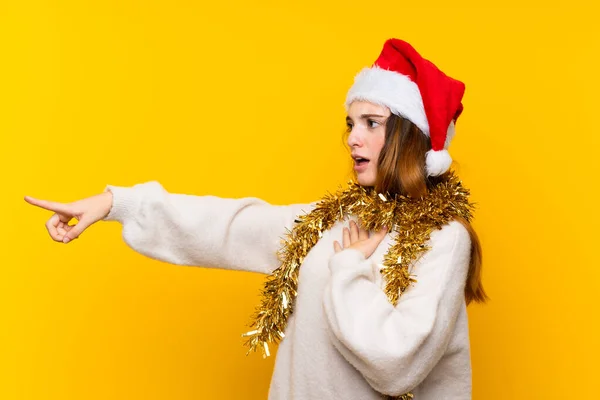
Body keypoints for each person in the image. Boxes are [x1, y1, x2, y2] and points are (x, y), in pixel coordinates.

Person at [24, 38, 487, 399]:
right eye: (350, 123)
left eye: (371, 122)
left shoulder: (443, 240)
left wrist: (349, 270)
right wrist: (115, 204)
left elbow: (397, 363)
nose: (352, 138)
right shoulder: (338, 219)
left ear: (410, 137)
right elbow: (235, 225)